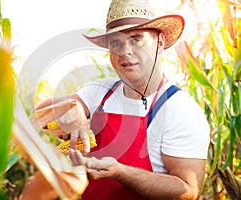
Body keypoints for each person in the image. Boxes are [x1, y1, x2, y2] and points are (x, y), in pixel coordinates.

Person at [36, 0, 210, 199]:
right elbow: (42, 115)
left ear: (159, 43)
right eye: (116, 43)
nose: (124, 51)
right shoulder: (99, 92)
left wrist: (120, 172)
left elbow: (188, 191)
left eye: (136, 39)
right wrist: (73, 111)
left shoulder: (180, 109)